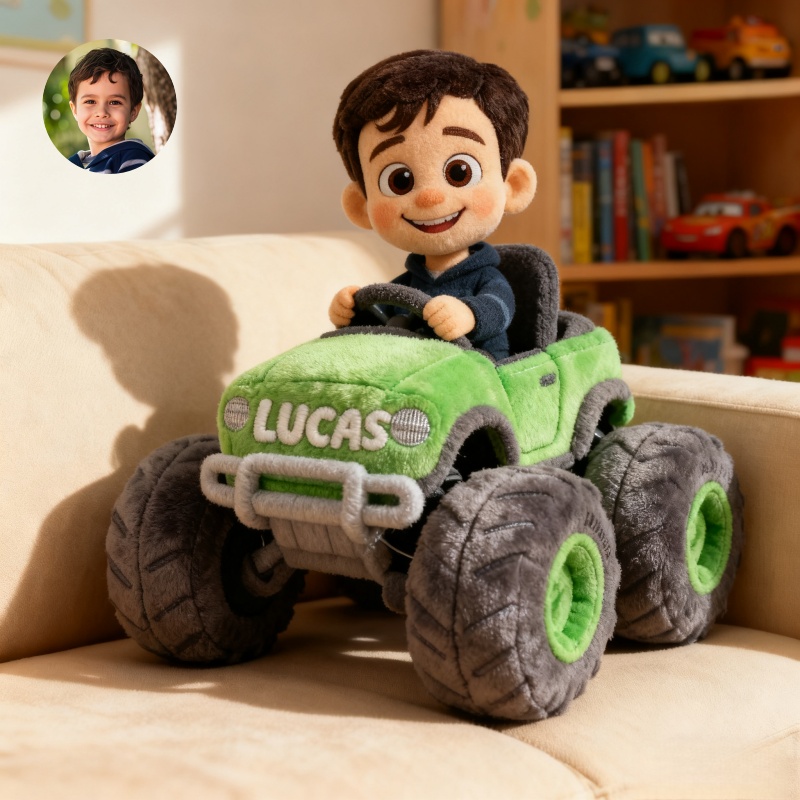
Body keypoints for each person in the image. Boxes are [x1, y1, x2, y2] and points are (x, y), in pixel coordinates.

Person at [328, 49, 537, 360]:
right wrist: (353, 312)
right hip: (417, 374)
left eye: (458, 173)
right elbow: (385, 319)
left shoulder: (486, 277)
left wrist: (469, 314)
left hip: (482, 370)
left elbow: (499, 309)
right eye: (399, 181)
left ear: (513, 185)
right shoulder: (408, 283)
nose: (429, 197)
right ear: (361, 206)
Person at [67, 47, 154, 174]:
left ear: (133, 111)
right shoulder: (72, 165)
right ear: (74, 110)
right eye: (90, 101)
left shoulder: (133, 159)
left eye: (114, 102)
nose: (102, 113)